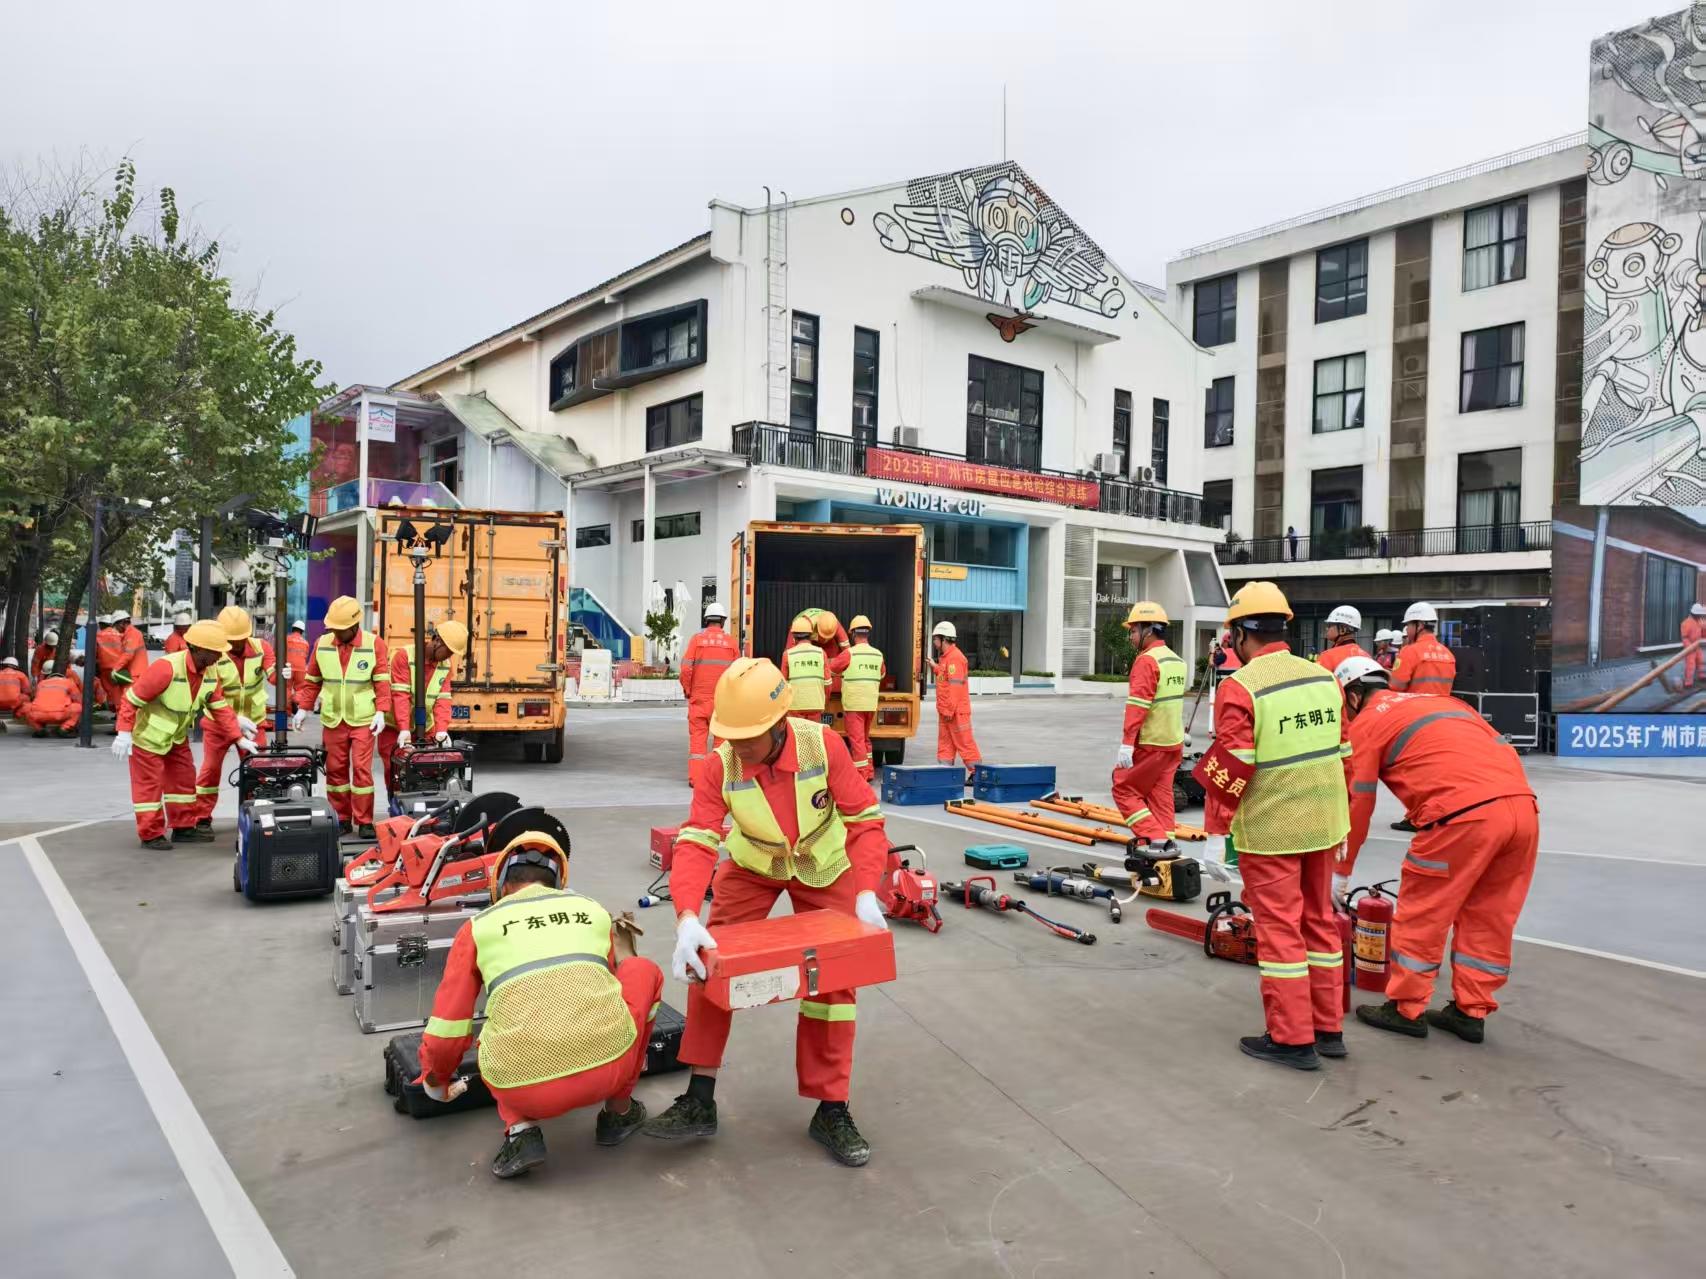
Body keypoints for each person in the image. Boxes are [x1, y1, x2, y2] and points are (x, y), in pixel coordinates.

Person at [648, 656, 890, 1167]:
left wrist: (867, 889)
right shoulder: (722, 763)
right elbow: (696, 840)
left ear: (780, 724)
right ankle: (699, 1097)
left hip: (822, 865)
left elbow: (865, 820)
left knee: (835, 983)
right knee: (709, 960)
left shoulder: (823, 747)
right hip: (754, 862)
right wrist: (687, 917)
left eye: (747, 738)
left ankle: (831, 1107)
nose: (736, 748)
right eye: (729, 737)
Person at [417, 830, 662, 1179]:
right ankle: (619, 1113)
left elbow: (447, 1031)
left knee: (498, 1028)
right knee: (641, 970)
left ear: (500, 883)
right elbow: (603, 990)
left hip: (523, 1090)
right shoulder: (591, 910)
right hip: (610, 1068)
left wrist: (435, 1081)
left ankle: (522, 1131)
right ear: (559, 880)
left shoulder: (477, 928)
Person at [1333, 655, 1539, 1044]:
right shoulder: (1446, 703)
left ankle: (1406, 1009)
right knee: (1491, 913)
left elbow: (1357, 804)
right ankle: (1471, 1011)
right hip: (1523, 809)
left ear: (1354, 695)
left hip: (1463, 816)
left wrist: (1339, 873)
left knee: (1425, 908)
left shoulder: (1368, 723)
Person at [1199, 581, 1351, 1071]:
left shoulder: (1241, 686)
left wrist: (1216, 834)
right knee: (1321, 927)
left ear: (1242, 633)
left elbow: (1234, 765)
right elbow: (1344, 754)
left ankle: (1291, 1039)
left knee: (1281, 932)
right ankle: (1328, 1029)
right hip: (1324, 823)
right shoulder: (1323, 679)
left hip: (1273, 829)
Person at [113, 620, 252, 850]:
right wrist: (124, 732)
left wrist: (238, 737)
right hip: (148, 738)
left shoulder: (209, 672)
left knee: (184, 780)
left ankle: (184, 827)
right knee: (149, 787)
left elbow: (218, 706)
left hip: (176, 738)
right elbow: (132, 699)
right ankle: (151, 834)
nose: (220, 656)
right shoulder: (166, 668)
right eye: (215, 652)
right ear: (197, 649)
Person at [293, 595, 389, 838]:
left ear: (355, 625)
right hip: (334, 717)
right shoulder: (322, 643)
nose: (335, 633)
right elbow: (312, 680)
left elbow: (381, 682)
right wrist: (303, 708)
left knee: (362, 771)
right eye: (333, 628)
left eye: (340, 629)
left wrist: (381, 711)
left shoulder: (374, 644)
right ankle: (342, 818)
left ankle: (365, 820)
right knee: (335, 771)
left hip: (363, 719)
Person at [1111, 602, 1187, 853]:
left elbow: (1138, 707)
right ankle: (1168, 848)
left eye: (1133, 631)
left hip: (1150, 743)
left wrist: (1126, 744)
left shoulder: (1146, 661)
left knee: (1123, 788)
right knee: (1160, 796)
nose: (1131, 636)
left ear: (1148, 630)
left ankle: (1156, 840)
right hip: (1172, 743)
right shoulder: (1177, 661)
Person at [191, 606, 271, 829]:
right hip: (218, 724)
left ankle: (254, 815)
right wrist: (234, 722)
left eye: (240, 639)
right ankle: (201, 817)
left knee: (258, 770)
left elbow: (274, 674)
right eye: (231, 640)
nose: (235, 644)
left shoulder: (261, 648)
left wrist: (287, 674)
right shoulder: (214, 656)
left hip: (253, 724)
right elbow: (214, 697)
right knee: (209, 772)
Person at [380, 620, 467, 794]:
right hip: (395, 727)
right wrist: (404, 728)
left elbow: (443, 700)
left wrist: (442, 730)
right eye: (448, 651)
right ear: (436, 640)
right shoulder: (404, 656)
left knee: (432, 766)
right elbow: (401, 695)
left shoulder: (445, 666)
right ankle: (397, 807)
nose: (449, 656)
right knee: (396, 770)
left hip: (425, 726)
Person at [678, 601, 737, 783]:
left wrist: (688, 690)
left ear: (706, 620)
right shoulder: (731, 643)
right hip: (722, 701)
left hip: (699, 700)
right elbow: (738, 672)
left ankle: (696, 779)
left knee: (697, 741)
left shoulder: (697, 640)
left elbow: (686, 669)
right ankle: (718, 780)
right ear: (723, 621)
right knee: (720, 742)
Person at [929, 620, 981, 782]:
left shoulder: (956, 658)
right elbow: (945, 676)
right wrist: (934, 666)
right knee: (945, 744)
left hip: (956, 711)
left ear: (943, 639)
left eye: (935, 638)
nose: (934, 641)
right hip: (946, 711)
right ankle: (944, 773)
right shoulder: (946, 658)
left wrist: (949, 710)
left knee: (964, 743)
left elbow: (955, 687)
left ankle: (977, 773)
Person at [840, 615, 885, 781]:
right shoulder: (877, 654)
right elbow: (882, 673)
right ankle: (870, 771)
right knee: (865, 739)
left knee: (857, 741)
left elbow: (833, 668)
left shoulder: (849, 654)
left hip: (854, 704)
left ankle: (861, 774)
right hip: (870, 704)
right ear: (868, 633)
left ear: (853, 634)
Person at [1390, 602, 1455, 696]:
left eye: (1408, 625)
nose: (1407, 629)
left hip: (1416, 708)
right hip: (1442, 708)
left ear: (1419, 625)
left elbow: (1396, 686)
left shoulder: (1408, 651)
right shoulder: (1449, 654)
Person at [783, 615, 826, 722]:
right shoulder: (821, 653)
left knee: (796, 736)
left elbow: (783, 685)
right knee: (814, 737)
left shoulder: (787, 655)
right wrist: (823, 700)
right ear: (811, 635)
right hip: (816, 705)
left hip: (795, 707)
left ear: (793, 636)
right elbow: (828, 684)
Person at [19, 661, 80, 736]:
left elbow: (34, 698)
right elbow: (78, 700)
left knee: (27, 707)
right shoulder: (69, 682)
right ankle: (64, 728)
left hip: (38, 715)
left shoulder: (41, 684)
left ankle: (39, 729)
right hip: (60, 714)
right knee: (78, 707)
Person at [1315, 605, 1366, 674]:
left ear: (1343, 629)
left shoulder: (1328, 656)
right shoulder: (1366, 656)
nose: (1327, 628)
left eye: (1330, 625)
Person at [94, 613, 126, 709]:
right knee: (118, 689)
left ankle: (116, 709)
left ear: (101, 624)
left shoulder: (98, 635)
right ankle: (117, 710)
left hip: (105, 667)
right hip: (119, 666)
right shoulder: (120, 635)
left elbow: (94, 652)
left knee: (109, 689)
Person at [111, 609, 149, 688]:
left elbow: (128, 654)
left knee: (129, 698)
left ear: (121, 623)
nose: (115, 629)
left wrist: (116, 668)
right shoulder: (128, 634)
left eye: (115, 626)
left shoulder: (133, 633)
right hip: (134, 673)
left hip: (136, 674)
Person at [285, 619, 311, 708]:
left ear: (293, 629)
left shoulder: (286, 639)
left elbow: (279, 653)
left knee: (287, 688)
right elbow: (305, 656)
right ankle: (296, 701)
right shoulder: (306, 643)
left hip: (288, 668)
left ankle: (287, 711)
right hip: (301, 669)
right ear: (302, 631)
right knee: (300, 688)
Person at [0, 657, 28, 728]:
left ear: (4, 665)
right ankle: (18, 715)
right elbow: (27, 691)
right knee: (26, 697)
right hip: (14, 703)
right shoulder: (21, 675)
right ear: (15, 666)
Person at [1683, 603, 1705, 688]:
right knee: (1690, 664)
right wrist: (1690, 647)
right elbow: (1685, 638)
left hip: (1697, 645)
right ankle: (1688, 682)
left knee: (1700, 661)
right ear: (1694, 613)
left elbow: (1702, 634)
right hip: (1690, 647)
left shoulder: (1699, 622)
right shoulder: (1686, 623)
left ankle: (1702, 676)